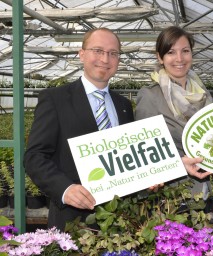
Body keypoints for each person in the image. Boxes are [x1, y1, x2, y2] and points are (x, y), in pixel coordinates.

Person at [23, 28, 135, 231]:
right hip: (72, 222)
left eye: (113, 53)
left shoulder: (124, 105)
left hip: (121, 221)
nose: (105, 58)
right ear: (81, 53)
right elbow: (34, 157)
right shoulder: (55, 99)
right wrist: (65, 189)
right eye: (98, 50)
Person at [135, 26, 213, 197]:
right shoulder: (150, 95)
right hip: (173, 197)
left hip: (211, 190)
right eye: (171, 52)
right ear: (160, 57)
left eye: (185, 51)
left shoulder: (202, 93)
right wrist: (177, 163)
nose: (179, 58)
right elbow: (145, 152)